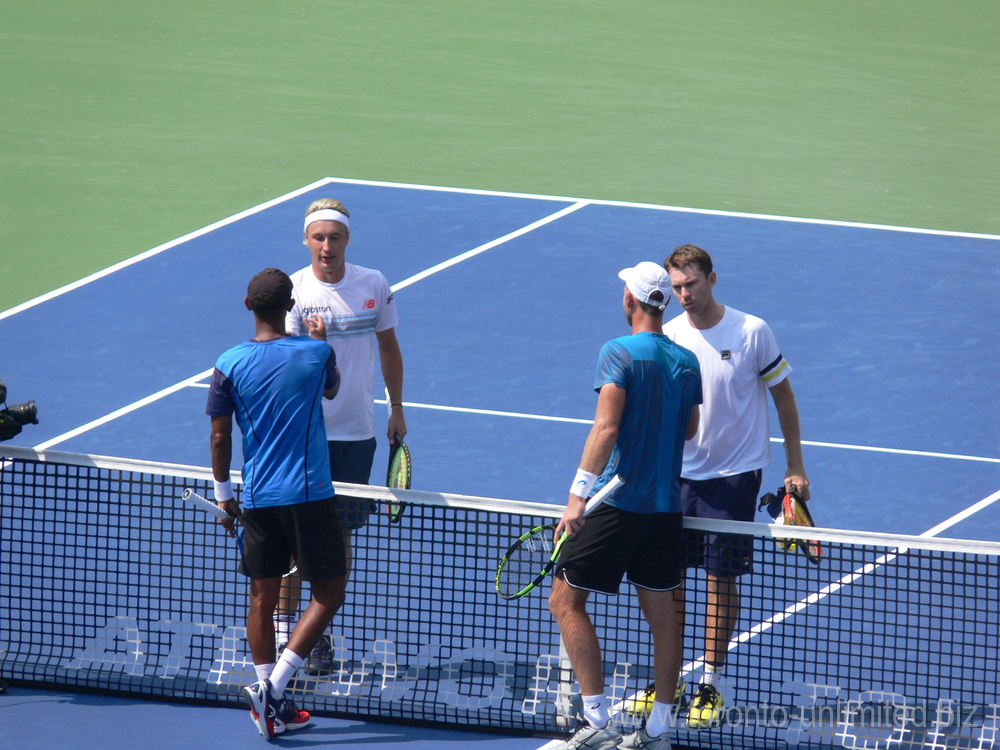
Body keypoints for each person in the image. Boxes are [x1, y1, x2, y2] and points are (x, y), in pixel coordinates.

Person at [547, 262, 701, 750]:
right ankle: (658, 731)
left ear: (631, 301)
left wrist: (577, 498)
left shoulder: (617, 352)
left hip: (615, 503)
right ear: (665, 302)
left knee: (564, 600)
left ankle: (597, 720)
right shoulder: (686, 360)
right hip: (664, 507)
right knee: (663, 616)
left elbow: (606, 427)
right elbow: (691, 430)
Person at [662, 244, 810, 729]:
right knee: (671, 581)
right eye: (676, 286)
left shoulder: (751, 331)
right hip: (679, 474)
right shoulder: (669, 335)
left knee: (719, 579)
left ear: (712, 279)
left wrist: (795, 466)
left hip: (734, 477)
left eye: (691, 284)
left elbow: (783, 396)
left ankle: (712, 681)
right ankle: (671, 678)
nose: (683, 294)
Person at [206, 268, 346, 739]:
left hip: (259, 497)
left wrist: (225, 497)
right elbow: (331, 388)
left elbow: (221, 436)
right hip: (310, 495)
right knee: (328, 593)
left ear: (248, 306)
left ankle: (270, 699)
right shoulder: (316, 352)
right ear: (291, 307)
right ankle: (276, 687)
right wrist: (321, 339)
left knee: (262, 599)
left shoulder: (227, 363)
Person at [275, 198, 407, 674]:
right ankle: (281, 632)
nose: (326, 246)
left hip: (358, 435)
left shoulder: (374, 285)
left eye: (334, 237)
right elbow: (287, 368)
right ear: (306, 240)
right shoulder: (293, 290)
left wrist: (396, 408)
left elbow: (389, 348)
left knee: (340, 536)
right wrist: (316, 347)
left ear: (347, 239)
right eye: (318, 237)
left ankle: (321, 631)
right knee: (296, 540)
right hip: (307, 436)